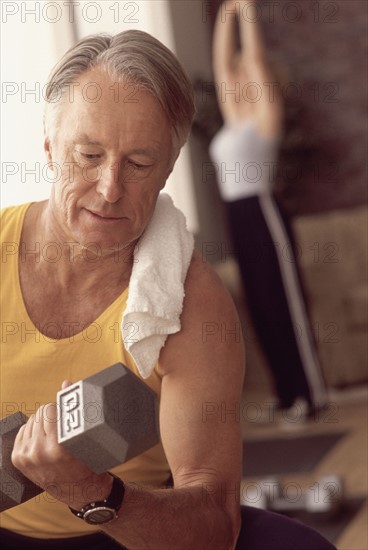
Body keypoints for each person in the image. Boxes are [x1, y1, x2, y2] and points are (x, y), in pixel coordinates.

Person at [0, 29, 335, 550]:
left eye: (137, 164)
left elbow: (213, 526)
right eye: (88, 156)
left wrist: (89, 491)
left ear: (168, 171)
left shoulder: (192, 308)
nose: (110, 190)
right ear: (48, 148)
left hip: (127, 527)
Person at [210, 0, 328, 415]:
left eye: (246, 71)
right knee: (261, 308)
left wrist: (246, 11)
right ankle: (285, 393)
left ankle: (310, 396)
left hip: (263, 212)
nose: (238, 74)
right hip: (237, 218)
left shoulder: (265, 116)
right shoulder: (232, 121)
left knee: (285, 304)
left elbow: (254, 58)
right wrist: (226, 14)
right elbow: (223, 65)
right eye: (238, 71)